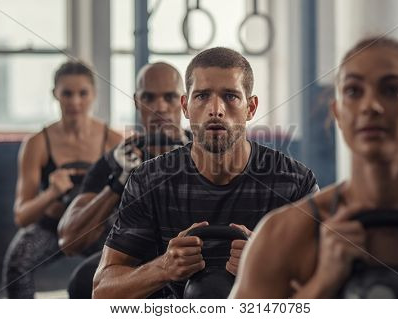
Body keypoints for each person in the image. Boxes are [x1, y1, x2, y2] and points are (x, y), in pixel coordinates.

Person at [92, 47, 319, 299]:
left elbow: (329, 288)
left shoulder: (294, 182)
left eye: (231, 96)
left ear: (251, 107)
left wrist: (269, 268)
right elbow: (102, 290)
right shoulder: (148, 180)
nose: (215, 109)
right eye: (201, 96)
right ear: (185, 106)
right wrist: (163, 268)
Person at [230, 36, 398, 298]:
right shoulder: (283, 233)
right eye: (353, 91)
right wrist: (321, 284)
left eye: (392, 90)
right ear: (338, 112)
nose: (370, 106)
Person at [57, 62, 192, 298]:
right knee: (82, 282)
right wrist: (119, 182)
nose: (160, 106)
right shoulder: (117, 160)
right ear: (137, 101)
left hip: (193, 256)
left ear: (184, 102)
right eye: (149, 97)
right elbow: (68, 239)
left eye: (169, 97)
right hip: (134, 258)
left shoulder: (207, 153)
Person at [2, 61, 122, 298]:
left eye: (82, 93)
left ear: (93, 95)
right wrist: (51, 193)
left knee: (129, 260)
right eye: (67, 93)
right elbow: (22, 216)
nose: (75, 101)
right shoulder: (37, 144)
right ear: (55, 94)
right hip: (52, 227)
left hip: (96, 226)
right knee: (18, 263)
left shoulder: (112, 140)